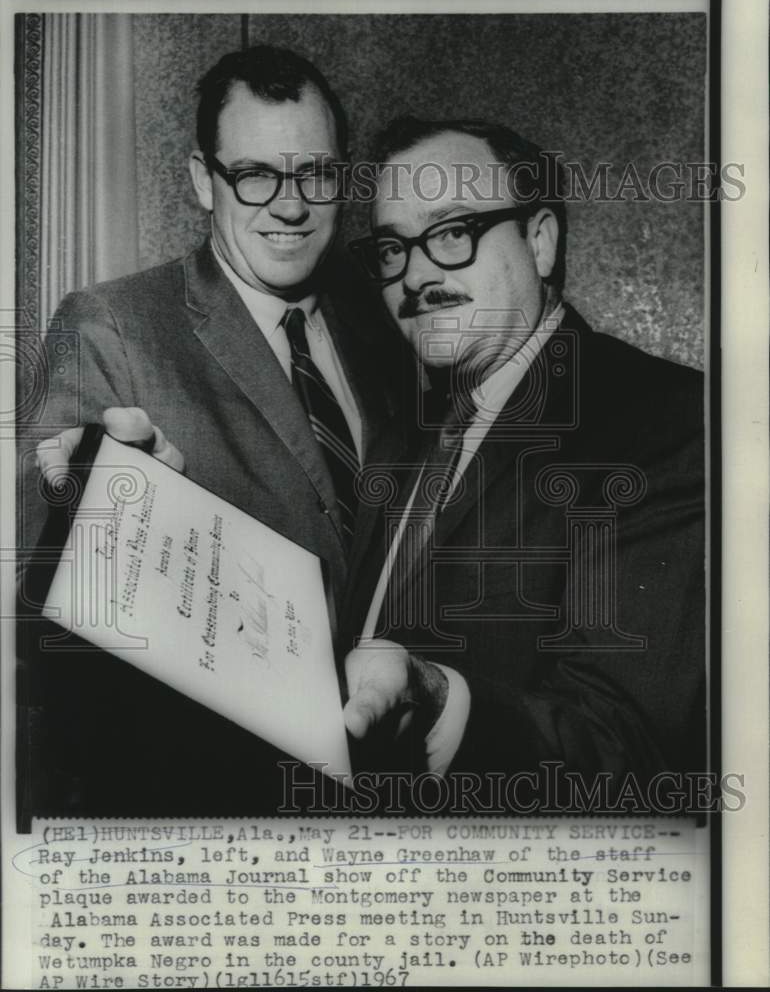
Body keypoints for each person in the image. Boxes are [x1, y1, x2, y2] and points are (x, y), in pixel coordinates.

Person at [18, 45, 400, 818]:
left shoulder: (382, 327)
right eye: (255, 175)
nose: (289, 207)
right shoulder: (112, 325)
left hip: (381, 799)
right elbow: (40, 563)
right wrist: (107, 510)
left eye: (316, 174)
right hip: (207, 803)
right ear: (203, 180)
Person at [338, 116, 705, 808]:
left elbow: (630, 748)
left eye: (452, 233)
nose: (416, 275)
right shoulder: (399, 439)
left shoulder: (661, 419)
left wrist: (439, 704)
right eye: (392, 248)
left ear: (539, 241)